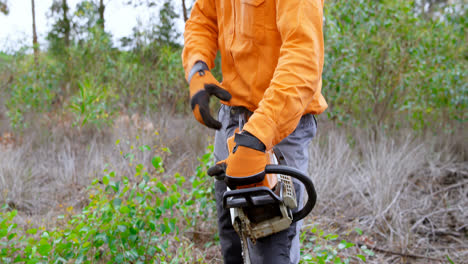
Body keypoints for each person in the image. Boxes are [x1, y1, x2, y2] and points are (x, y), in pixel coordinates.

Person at [182, 0, 327, 263]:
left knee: (270, 248)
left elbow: (303, 58)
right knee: (232, 241)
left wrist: (259, 135)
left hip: (281, 124)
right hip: (232, 117)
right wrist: (197, 68)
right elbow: (203, 17)